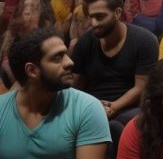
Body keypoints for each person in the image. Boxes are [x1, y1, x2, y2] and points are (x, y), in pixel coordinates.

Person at [72, 0, 159, 157]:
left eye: (100, 17)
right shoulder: (86, 41)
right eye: (91, 17)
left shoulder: (144, 40)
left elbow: (141, 87)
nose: (93, 23)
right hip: (93, 105)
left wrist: (113, 107)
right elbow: (76, 84)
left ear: (118, 13)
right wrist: (91, 107)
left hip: (131, 106)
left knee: (114, 127)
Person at [0, 28, 111, 158]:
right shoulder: (2, 109)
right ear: (32, 70)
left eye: (66, 54)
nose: (70, 62)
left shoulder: (87, 108)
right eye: (57, 58)